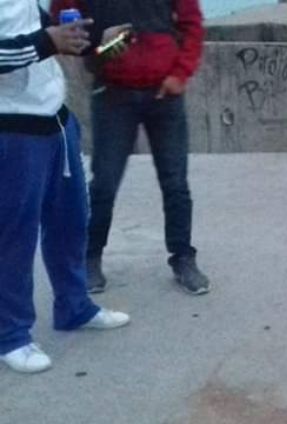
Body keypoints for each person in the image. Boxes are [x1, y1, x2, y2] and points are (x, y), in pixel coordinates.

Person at [0, 0, 131, 374]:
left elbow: (49, 32)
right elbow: (41, 40)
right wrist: (48, 41)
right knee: (14, 237)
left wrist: (96, 43)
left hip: (55, 119)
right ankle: (11, 336)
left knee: (71, 221)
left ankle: (74, 306)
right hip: (12, 129)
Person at [50, 0, 209, 295]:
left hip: (165, 93)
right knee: (104, 185)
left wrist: (180, 74)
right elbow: (62, 19)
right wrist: (97, 46)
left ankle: (183, 258)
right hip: (112, 93)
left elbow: (192, 25)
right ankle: (90, 258)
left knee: (175, 183)